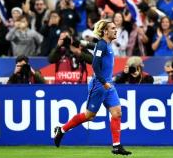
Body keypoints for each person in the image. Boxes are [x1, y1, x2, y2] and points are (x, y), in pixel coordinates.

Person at [53, 20, 132, 155]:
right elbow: (95, 65)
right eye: (113, 28)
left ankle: (116, 146)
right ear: (105, 31)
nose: (116, 30)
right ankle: (62, 130)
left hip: (108, 85)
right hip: (100, 85)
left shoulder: (104, 44)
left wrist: (75, 42)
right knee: (89, 116)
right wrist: (103, 82)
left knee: (117, 112)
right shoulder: (102, 45)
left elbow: (91, 45)